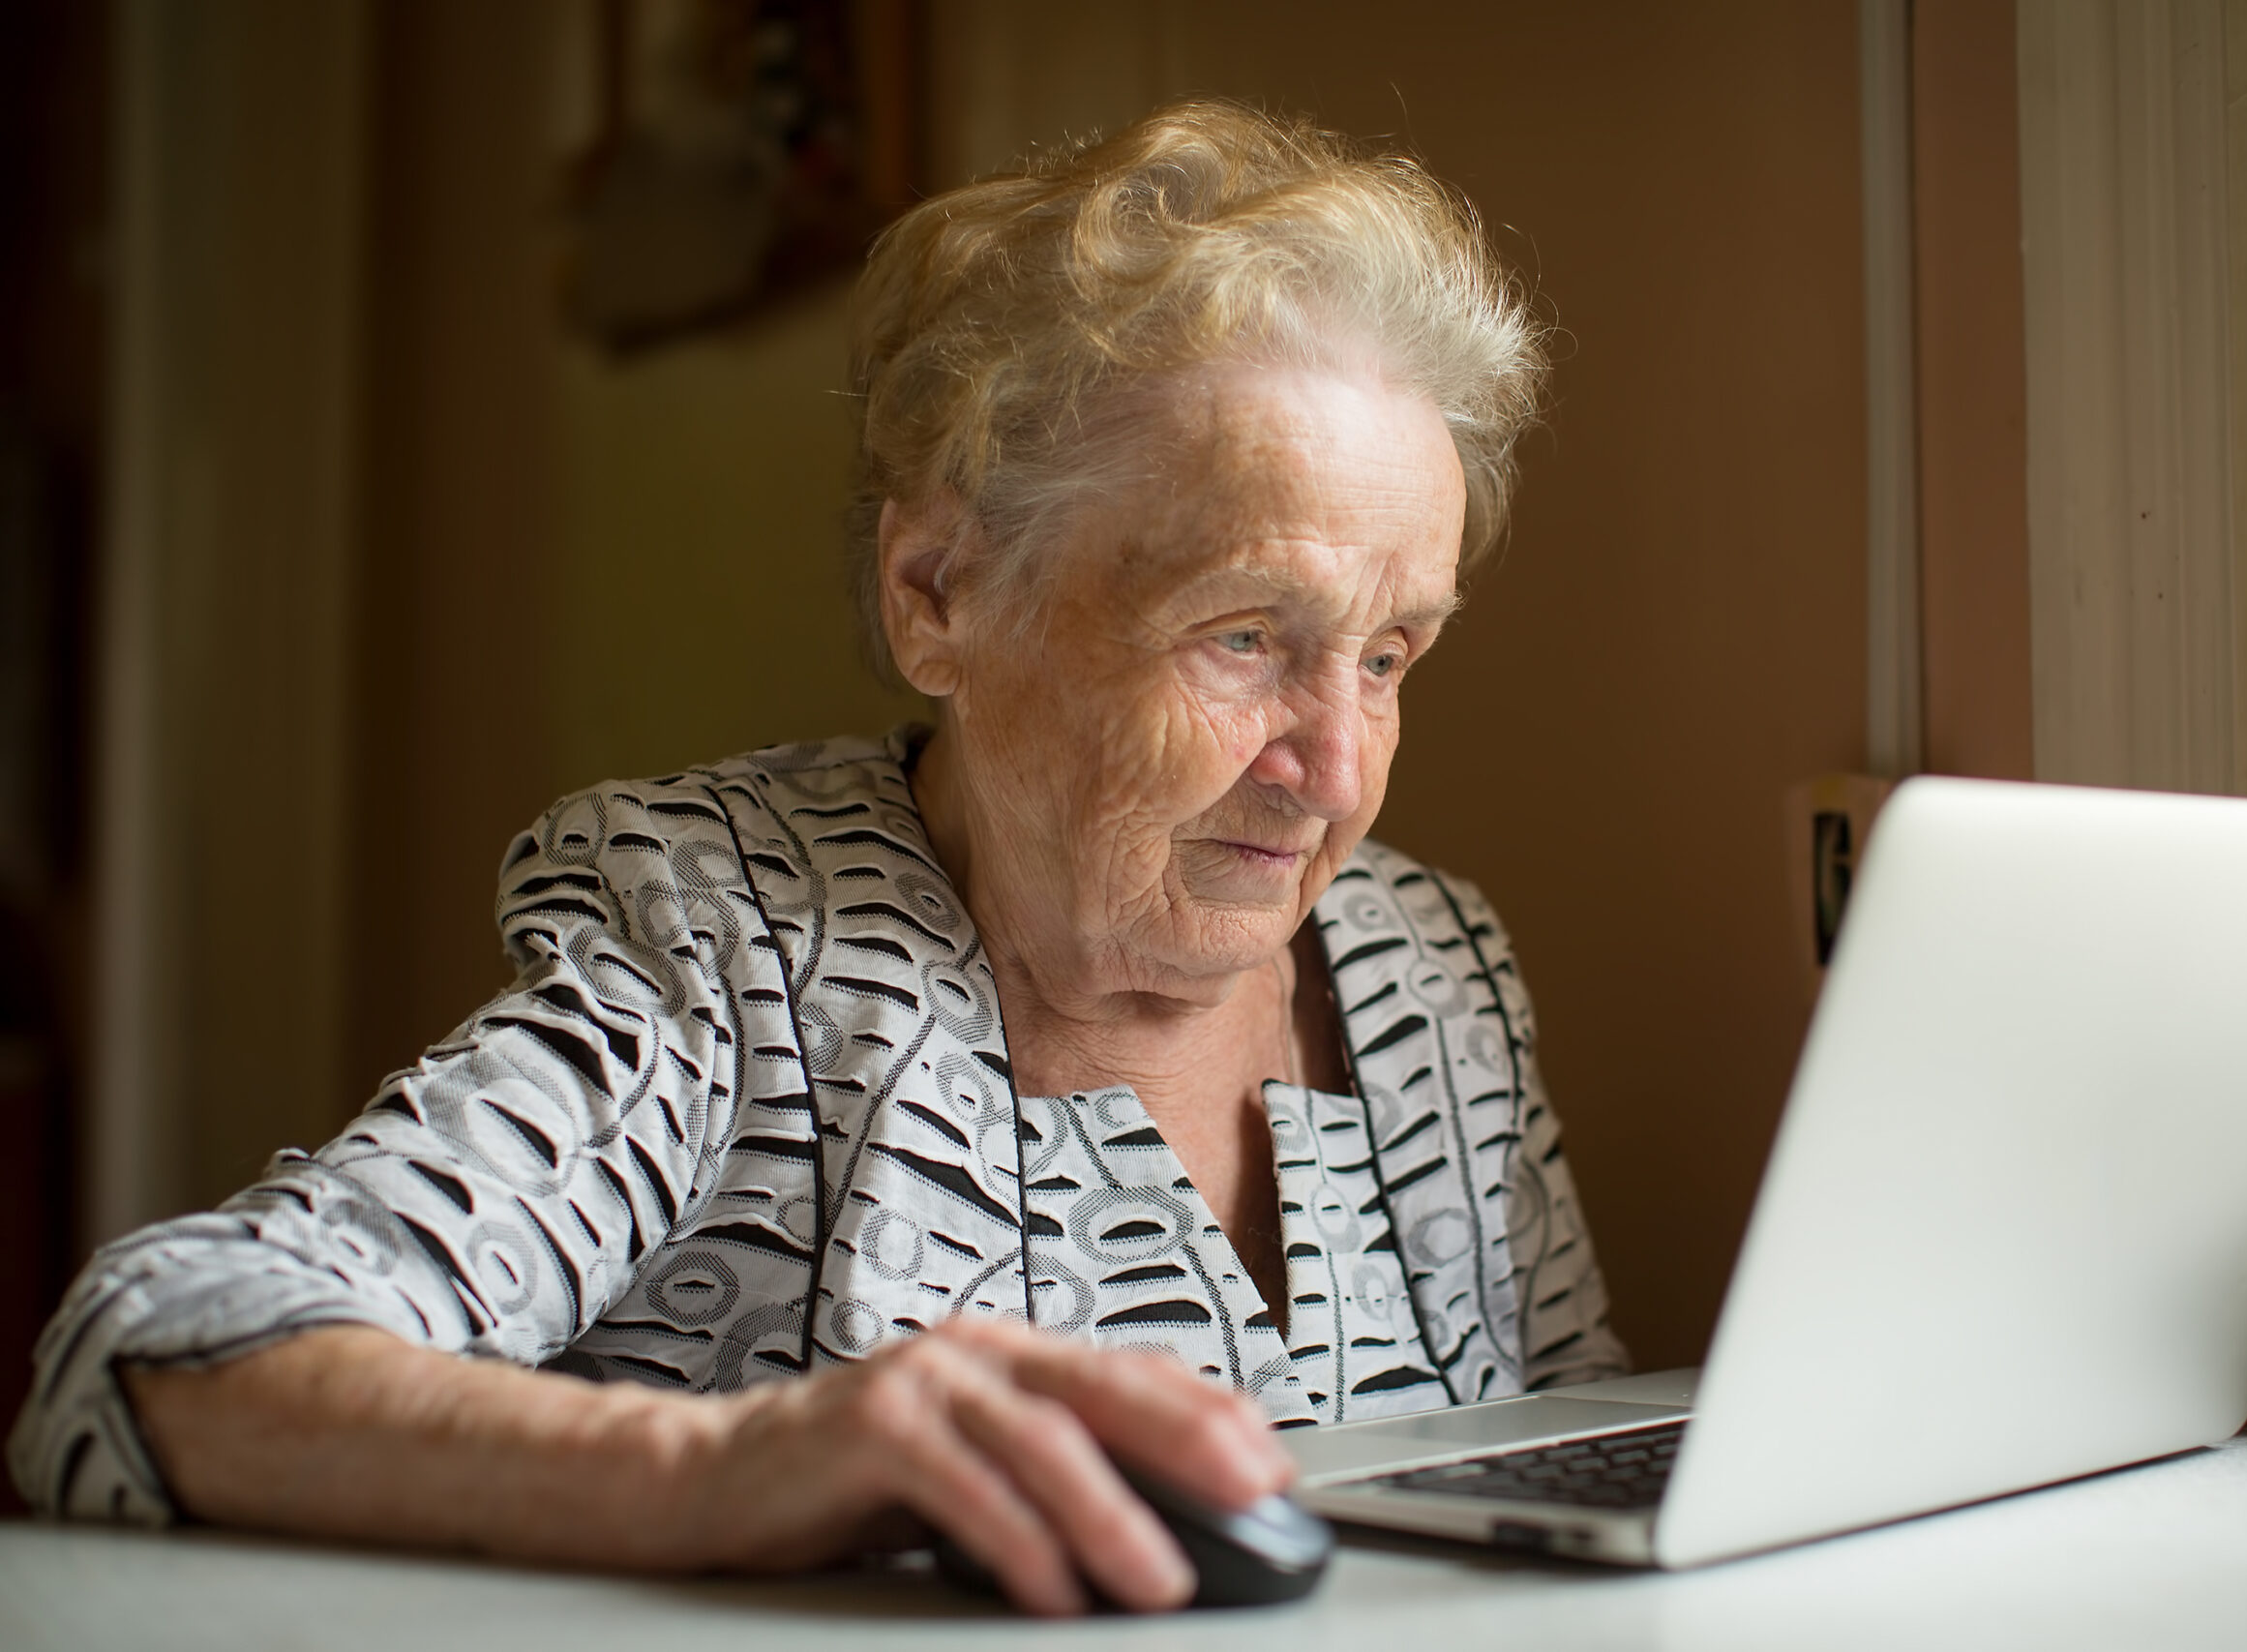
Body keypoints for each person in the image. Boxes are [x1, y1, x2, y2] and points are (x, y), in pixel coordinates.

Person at [8, 100, 1629, 1614]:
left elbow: (1590, 1462)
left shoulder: (1428, 968)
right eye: (1244, 636)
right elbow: (153, 1357)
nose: (1334, 767)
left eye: (1389, 655)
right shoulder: (732, 948)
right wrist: (719, 1468)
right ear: (938, 591)